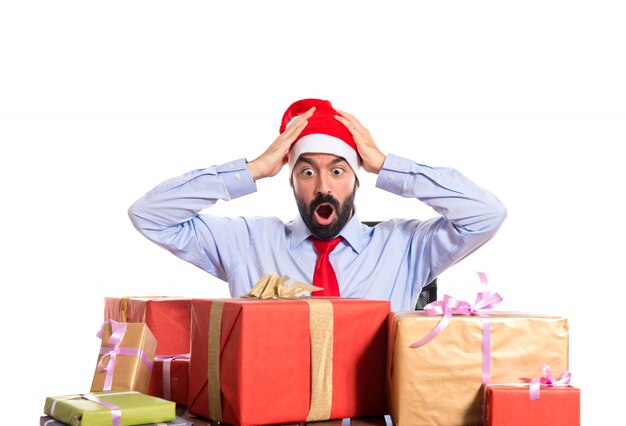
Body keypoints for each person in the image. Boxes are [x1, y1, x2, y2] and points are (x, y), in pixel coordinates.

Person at [128, 99, 506, 311]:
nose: (324, 187)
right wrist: (253, 169)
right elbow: (150, 215)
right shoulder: (248, 242)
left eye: (338, 171)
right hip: (274, 425)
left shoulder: (404, 247)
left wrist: (388, 165)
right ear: (290, 178)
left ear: (358, 178)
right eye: (307, 173)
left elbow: (486, 214)